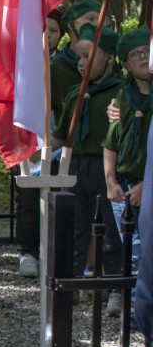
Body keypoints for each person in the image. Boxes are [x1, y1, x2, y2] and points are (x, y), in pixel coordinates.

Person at [50, 23, 124, 295]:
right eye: (79, 57)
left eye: (89, 56)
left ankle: (116, 287)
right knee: (73, 228)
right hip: (74, 167)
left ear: (110, 58)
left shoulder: (121, 93)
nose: (82, 63)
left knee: (113, 231)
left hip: (106, 168)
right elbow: (60, 136)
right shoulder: (74, 94)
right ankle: (70, 285)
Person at [13, 8, 66, 278]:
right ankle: (28, 251)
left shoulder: (68, 65)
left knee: (57, 196)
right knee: (29, 197)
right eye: (42, 31)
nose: (47, 36)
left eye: (53, 30)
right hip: (29, 140)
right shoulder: (22, 60)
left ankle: (53, 250)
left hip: (59, 141)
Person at [101, 27, 150, 314]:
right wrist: (109, 181)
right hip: (126, 185)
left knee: (148, 252)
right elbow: (111, 142)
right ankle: (133, 308)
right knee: (131, 252)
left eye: (147, 51)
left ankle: (145, 309)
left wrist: (150, 184)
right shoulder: (122, 97)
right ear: (126, 64)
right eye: (135, 54)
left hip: (149, 184)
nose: (143, 57)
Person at [50, 0, 100, 124]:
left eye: (101, 20)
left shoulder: (108, 61)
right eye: (91, 19)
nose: (97, 25)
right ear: (70, 24)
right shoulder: (56, 67)